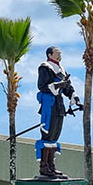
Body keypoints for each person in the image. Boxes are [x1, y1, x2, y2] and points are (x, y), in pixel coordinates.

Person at [36, 46, 80, 178]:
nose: (60, 55)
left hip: (59, 105)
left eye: (60, 53)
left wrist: (74, 96)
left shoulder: (61, 69)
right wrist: (59, 85)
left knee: (55, 135)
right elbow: (42, 86)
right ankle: (44, 167)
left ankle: (51, 165)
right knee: (47, 134)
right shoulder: (45, 67)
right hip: (49, 105)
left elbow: (68, 87)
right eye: (57, 53)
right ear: (50, 55)